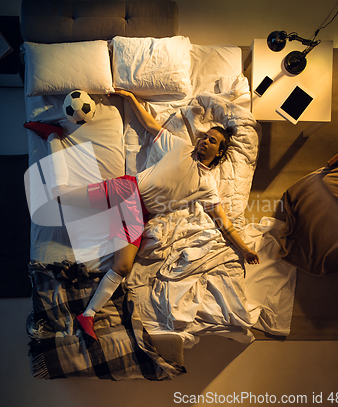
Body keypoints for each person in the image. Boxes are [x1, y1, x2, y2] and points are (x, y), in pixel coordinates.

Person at [53, 89, 260, 340]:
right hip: (126, 189)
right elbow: (151, 126)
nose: (204, 141)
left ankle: (87, 315)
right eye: (204, 136)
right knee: (63, 199)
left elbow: (223, 224)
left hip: (139, 213)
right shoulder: (180, 147)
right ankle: (52, 137)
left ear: (219, 153)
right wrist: (130, 99)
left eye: (212, 141)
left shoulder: (207, 185)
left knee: (124, 266)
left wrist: (244, 249)